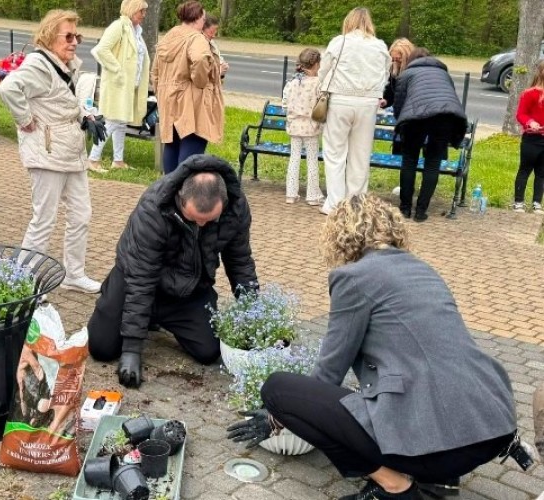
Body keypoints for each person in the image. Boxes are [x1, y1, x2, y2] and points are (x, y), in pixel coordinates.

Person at [227, 194, 518, 500]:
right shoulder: (423, 270)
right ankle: (440, 482)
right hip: (492, 428)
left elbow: (329, 373)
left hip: (441, 449)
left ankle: (396, 487)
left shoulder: (352, 278)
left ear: (339, 237)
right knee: (427, 378)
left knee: (279, 389)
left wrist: (276, 416)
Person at [87, 154, 259, 388]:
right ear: (180, 198)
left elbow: (240, 261)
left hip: (189, 288)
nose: (201, 226)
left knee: (208, 352)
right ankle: (122, 301)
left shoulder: (236, 208)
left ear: (224, 201)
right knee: (101, 348)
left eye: (209, 221)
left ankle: (159, 318)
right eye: (194, 219)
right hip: (138, 280)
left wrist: (255, 315)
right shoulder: (153, 209)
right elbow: (141, 278)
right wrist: (131, 349)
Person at [0, 9, 103, 295]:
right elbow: (8, 88)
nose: (74, 42)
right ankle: (20, 282)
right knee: (44, 219)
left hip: (71, 150)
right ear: (48, 37)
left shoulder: (67, 64)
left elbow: (63, 101)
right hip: (46, 152)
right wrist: (24, 119)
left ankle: (74, 274)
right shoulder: (39, 64)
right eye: (68, 36)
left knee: (81, 214)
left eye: (77, 36)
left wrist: (87, 117)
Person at [318, 7, 389, 215]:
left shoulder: (339, 42)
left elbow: (324, 70)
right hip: (367, 103)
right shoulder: (379, 46)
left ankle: (335, 203)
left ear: (349, 21)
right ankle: (356, 202)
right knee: (361, 154)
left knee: (335, 153)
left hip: (340, 100)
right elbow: (385, 74)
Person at [393, 47, 468, 221]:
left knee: (409, 160)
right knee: (433, 163)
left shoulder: (406, 75)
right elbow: (449, 99)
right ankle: (421, 211)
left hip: (415, 119)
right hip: (444, 119)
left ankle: (405, 208)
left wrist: (401, 122)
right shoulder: (444, 74)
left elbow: (399, 104)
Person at [151, 0, 223, 174]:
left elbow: (155, 71)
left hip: (170, 101)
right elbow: (199, 59)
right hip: (192, 103)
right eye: (203, 17)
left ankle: (169, 193)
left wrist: (162, 91)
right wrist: (200, 81)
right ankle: (184, 196)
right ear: (198, 18)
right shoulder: (196, 38)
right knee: (191, 152)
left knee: (172, 145)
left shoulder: (169, 36)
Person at [88, 0, 150, 173]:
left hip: (129, 86)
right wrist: (118, 70)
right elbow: (101, 50)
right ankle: (93, 159)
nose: (144, 15)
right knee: (113, 122)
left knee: (121, 123)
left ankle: (118, 160)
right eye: (141, 11)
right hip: (118, 85)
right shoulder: (118, 27)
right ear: (131, 10)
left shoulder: (136, 30)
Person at [282, 48, 324, 206]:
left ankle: (291, 194)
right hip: (311, 126)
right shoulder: (318, 83)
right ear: (316, 64)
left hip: (294, 126)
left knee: (294, 159)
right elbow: (322, 103)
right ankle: (312, 195)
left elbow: (285, 103)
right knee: (312, 160)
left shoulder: (293, 82)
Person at [512, 60, 544, 215]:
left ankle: (537, 202)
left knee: (542, 173)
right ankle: (518, 202)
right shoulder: (530, 93)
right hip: (532, 139)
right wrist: (530, 122)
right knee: (525, 169)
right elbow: (521, 114)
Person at [381, 38, 414, 108]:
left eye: (399, 59)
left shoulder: (414, 71)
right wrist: (386, 101)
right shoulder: (392, 69)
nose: (395, 62)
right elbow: (390, 93)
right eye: (393, 59)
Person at [202, 14, 228, 79]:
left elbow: (219, 60)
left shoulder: (212, 43)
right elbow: (199, 78)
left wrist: (223, 68)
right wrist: (219, 72)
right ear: (202, 29)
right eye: (211, 32)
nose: (214, 36)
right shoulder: (197, 47)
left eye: (215, 31)